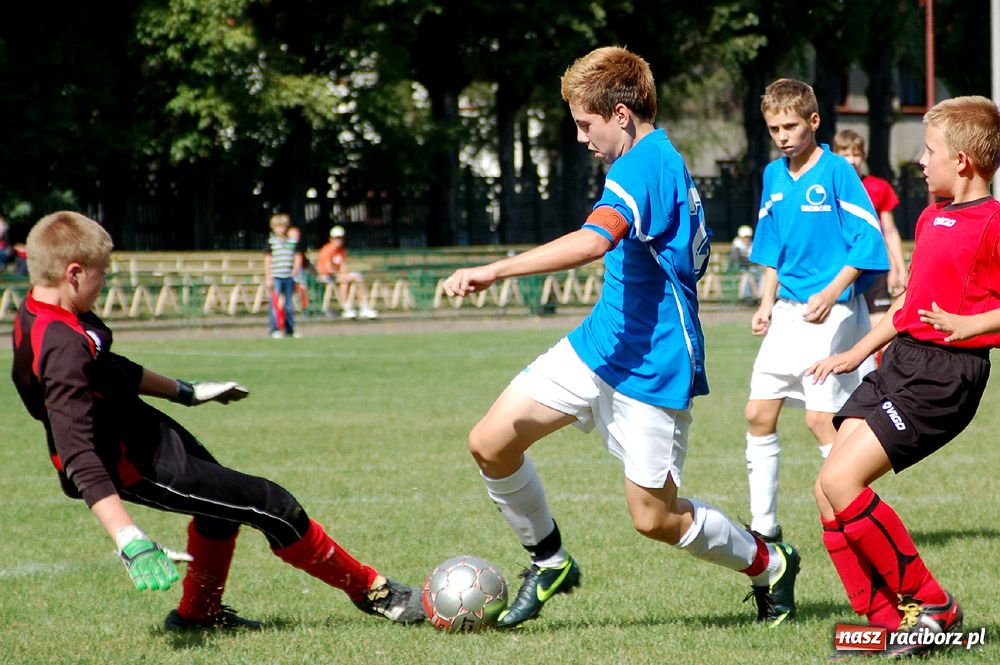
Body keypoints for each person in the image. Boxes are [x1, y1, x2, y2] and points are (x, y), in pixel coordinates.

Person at [442, 46, 800, 629]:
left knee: (654, 519)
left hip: (652, 366)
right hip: (599, 345)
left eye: (586, 124)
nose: (581, 137)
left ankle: (769, 562)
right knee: (491, 442)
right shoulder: (650, 162)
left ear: (622, 114)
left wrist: (494, 269)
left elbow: (592, 242)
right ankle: (549, 560)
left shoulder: (645, 164)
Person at [10, 211, 425, 631]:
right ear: (74, 273)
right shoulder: (61, 347)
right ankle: (374, 591)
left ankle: (197, 615)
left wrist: (185, 391)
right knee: (272, 504)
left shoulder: (42, 311)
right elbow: (76, 451)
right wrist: (128, 536)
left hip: (144, 430)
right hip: (130, 462)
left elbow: (106, 368)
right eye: (103, 275)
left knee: (220, 512)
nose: (106, 284)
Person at [808, 96, 1000, 658]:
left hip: (946, 376)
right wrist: (854, 353)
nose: (920, 160)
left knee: (843, 483)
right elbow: (908, 308)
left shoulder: (992, 223)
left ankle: (933, 603)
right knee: (825, 491)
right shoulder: (930, 215)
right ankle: (884, 620)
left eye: (930, 150)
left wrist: (973, 323)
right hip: (902, 362)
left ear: (962, 161)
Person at [742, 79, 889, 544]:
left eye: (790, 125)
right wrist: (766, 304)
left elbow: (869, 240)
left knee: (820, 419)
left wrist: (832, 292)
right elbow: (771, 248)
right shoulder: (772, 175)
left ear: (814, 121)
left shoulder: (836, 173)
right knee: (757, 413)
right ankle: (765, 527)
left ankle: (851, 510)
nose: (782, 135)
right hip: (787, 312)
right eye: (773, 128)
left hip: (835, 313)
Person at [833, 129, 909, 330]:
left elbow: (889, 231)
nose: (852, 160)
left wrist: (899, 270)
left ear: (863, 156)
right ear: (836, 155)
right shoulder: (828, 188)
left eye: (856, 154)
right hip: (840, 268)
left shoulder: (878, 187)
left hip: (873, 268)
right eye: (846, 154)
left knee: (880, 330)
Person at [317, 225, 378, 319]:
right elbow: (328, 269)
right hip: (326, 275)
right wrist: (342, 275)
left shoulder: (341, 251)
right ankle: (346, 308)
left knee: (358, 277)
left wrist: (346, 273)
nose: (339, 240)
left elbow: (343, 266)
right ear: (331, 239)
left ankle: (364, 307)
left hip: (337, 274)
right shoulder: (327, 250)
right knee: (344, 280)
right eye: (336, 238)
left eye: (340, 238)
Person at [264, 213, 303, 338]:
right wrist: (268, 277)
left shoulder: (292, 242)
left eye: (283, 227)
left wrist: (295, 271)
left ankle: (290, 328)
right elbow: (267, 260)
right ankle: (275, 328)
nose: (281, 230)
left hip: (288, 276)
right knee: (275, 304)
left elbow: (297, 256)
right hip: (276, 276)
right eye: (278, 227)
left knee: (289, 305)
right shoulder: (271, 242)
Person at [729, 225, 759, 301]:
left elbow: (756, 261)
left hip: (753, 269)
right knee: (747, 276)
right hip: (740, 269)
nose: (747, 239)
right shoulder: (737, 247)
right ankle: (746, 297)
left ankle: (758, 297)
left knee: (760, 275)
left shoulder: (753, 245)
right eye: (745, 237)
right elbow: (735, 261)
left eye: (748, 237)